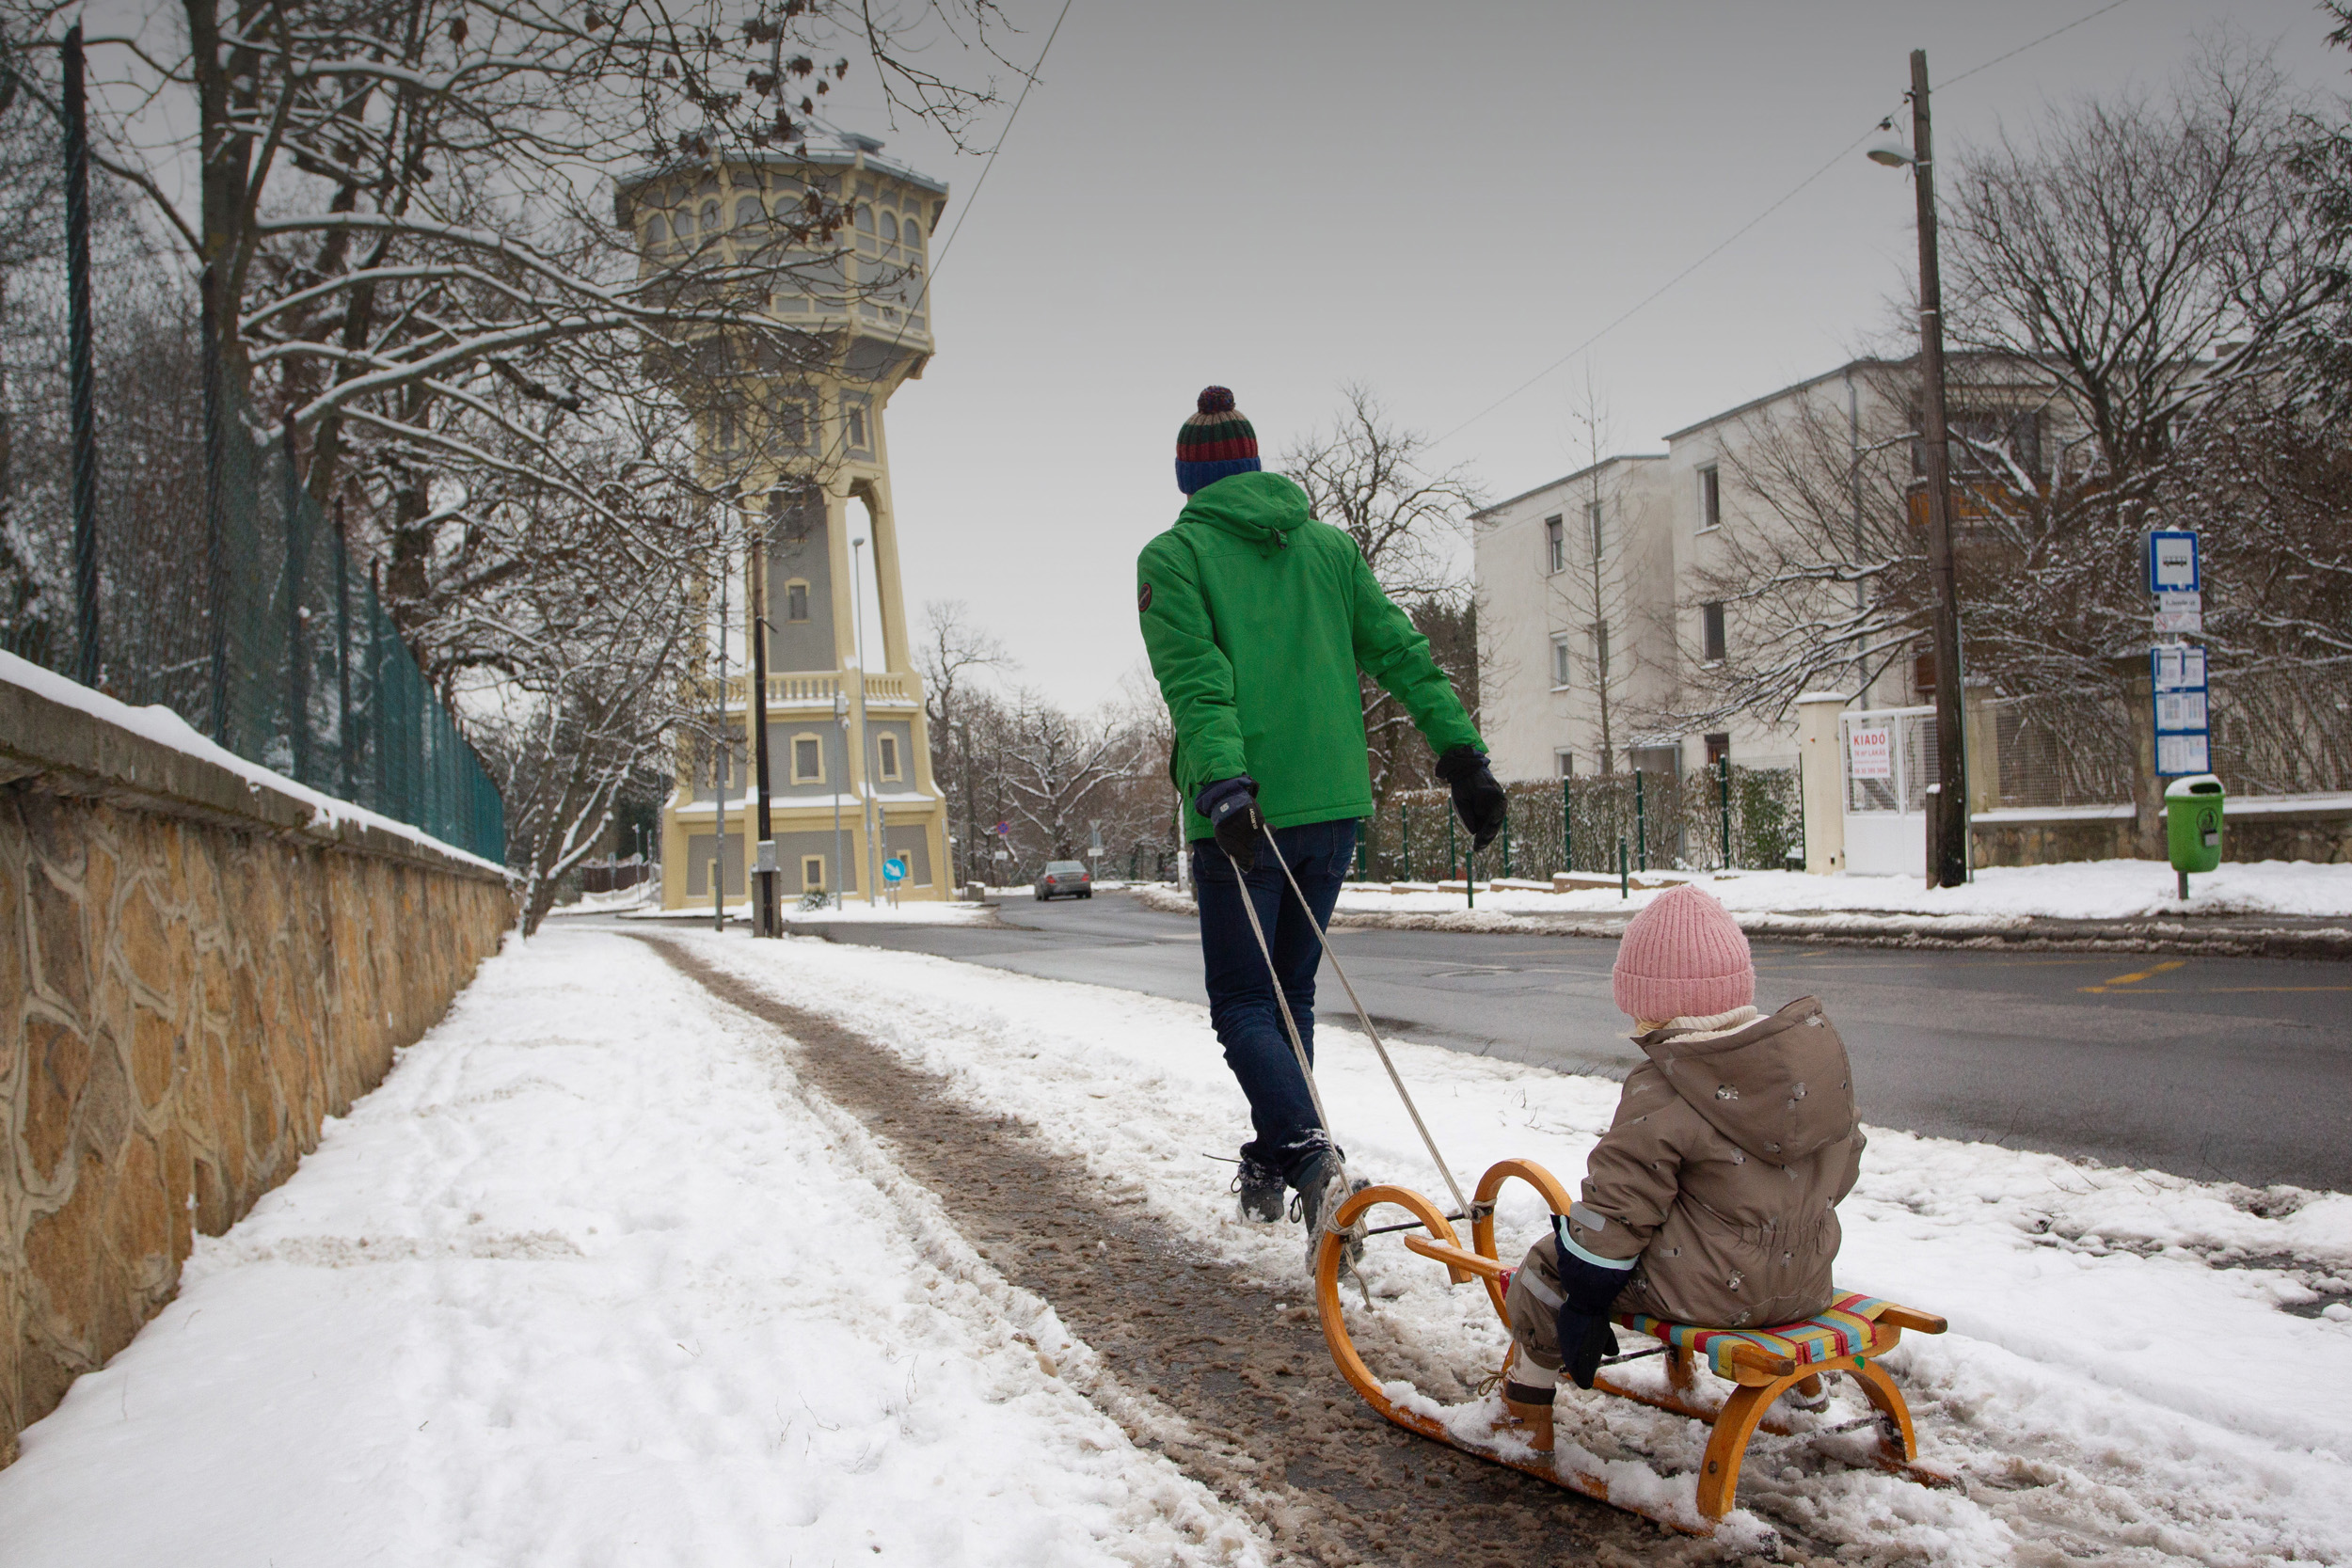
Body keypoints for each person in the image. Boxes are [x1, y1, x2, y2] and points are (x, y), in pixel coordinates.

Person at [1137, 386, 1505, 1264]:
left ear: (1189, 477)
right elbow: (1402, 652)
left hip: (1245, 810)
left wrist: (1223, 783)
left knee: (1241, 1003)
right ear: (1255, 465)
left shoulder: (1174, 557)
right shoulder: (1330, 550)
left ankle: (1308, 1157)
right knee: (1289, 994)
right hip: (1334, 806)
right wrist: (1463, 755)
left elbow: (1198, 683)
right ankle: (1274, 1158)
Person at [1494, 883, 1866, 1449]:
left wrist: (1586, 1296)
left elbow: (1618, 1211)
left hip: (1711, 1294)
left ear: (1651, 1006)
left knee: (1546, 1267)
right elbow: (1844, 1168)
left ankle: (1523, 1411)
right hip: (1807, 1280)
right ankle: (1808, 1397)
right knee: (1697, 1222)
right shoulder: (1804, 1071)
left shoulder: (1665, 1085)